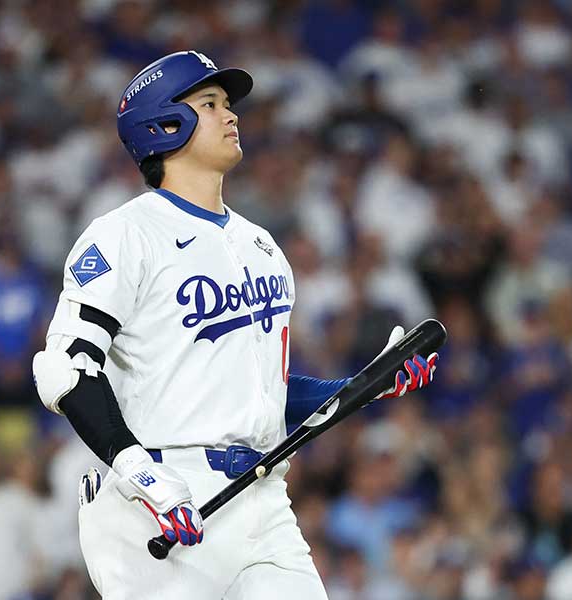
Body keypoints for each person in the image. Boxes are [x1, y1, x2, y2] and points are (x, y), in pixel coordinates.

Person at [32, 50, 439, 599]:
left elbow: (264, 394)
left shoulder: (263, 247)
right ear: (163, 124)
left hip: (263, 493)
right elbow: (66, 368)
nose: (232, 115)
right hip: (156, 496)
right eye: (210, 103)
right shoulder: (124, 235)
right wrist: (139, 474)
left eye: (228, 104)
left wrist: (364, 385)